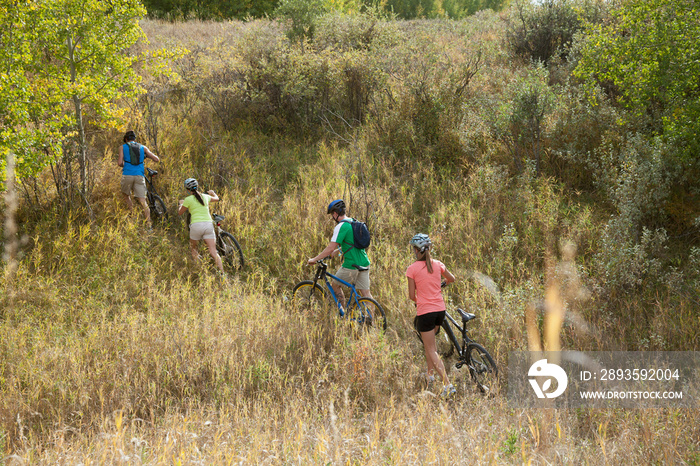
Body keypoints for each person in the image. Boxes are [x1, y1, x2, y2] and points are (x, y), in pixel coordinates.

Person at [406, 233, 457, 397]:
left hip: (425, 312)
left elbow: (411, 295)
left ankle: (448, 385)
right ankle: (430, 374)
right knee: (430, 345)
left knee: (431, 349)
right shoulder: (437, 264)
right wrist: (442, 284)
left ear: (418, 250)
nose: (413, 251)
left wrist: (419, 300)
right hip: (440, 311)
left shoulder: (412, 269)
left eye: (414, 249)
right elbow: (452, 279)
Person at [307, 199, 373, 309]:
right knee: (366, 295)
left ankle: (343, 314)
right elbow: (352, 243)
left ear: (335, 214)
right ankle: (373, 321)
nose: (332, 217)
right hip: (364, 262)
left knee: (335, 285)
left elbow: (330, 248)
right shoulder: (353, 221)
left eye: (332, 214)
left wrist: (314, 259)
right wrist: (339, 251)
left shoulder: (341, 226)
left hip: (351, 264)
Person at [177, 178, 224, 273]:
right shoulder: (205, 196)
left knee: (194, 250)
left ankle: (201, 271)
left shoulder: (188, 199)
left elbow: (180, 213)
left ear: (188, 190)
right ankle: (223, 274)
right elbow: (217, 198)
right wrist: (212, 193)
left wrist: (180, 204)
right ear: (197, 187)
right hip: (208, 225)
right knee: (213, 252)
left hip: (196, 226)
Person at [117, 130, 160, 228]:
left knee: (126, 195)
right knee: (143, 201)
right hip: (140, 175)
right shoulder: (143, 147)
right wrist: (145, 157)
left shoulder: (122, 147)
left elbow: (119, 163)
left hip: (127, 174)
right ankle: (149, 225)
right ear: (135, 139)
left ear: (126, 139)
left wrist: (126, 164)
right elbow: (156, 159)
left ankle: (133, 216)